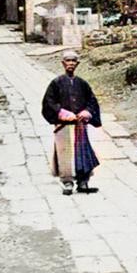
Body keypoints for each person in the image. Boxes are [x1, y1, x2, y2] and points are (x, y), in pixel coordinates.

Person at [42, 50, 102, 195]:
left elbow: (92, 101)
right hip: (64, 126)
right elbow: (48, 102)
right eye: (68, 61)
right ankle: (67, 183)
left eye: (73, 61)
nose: (70, 64)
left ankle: (83, 182)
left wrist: (87, 111)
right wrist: (61, 112)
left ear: (77, 64)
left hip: (79, 125)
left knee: (82, 153)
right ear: (63, 63)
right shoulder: (56, 83)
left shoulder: (82, 83)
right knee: (65, 154)